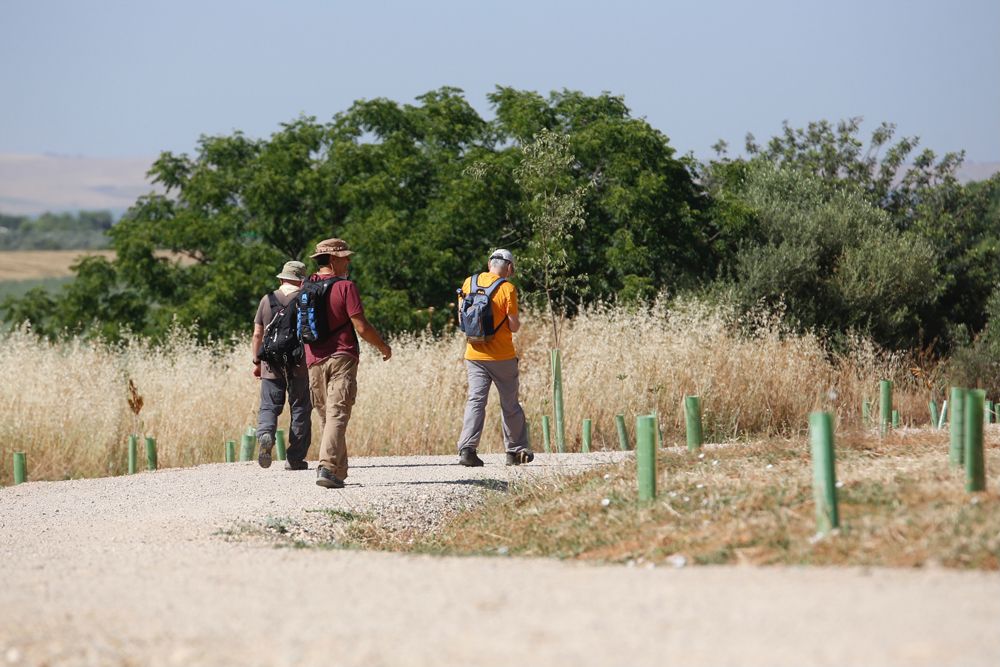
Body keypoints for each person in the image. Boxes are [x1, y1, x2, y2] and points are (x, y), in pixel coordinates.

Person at [304, 238, 392, 489]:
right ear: (333, 260)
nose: (349, 261)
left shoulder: (306, 286)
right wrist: (383, 347)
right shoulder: (345, 287)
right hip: (342, 356)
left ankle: (336, 471)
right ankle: (328, 467)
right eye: (344, 257)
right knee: (337, 414)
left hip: (313, 358)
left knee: (327, 417)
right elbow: (361, 327)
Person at [455, 249, 533, 467]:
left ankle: (467, 450)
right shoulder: (507, 288)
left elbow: (462, 317)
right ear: (508, 267)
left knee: (476, 401)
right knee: (510, 403)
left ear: (490, 263)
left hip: (474, 353)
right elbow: (514, 326)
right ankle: (515, 451)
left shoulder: (469, 282)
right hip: (502, 356)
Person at [252, 260, 311, 470]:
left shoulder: (266, 300)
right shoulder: (305, 299)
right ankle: (295, 459)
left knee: (269, 405)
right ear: (301, 280)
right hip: (299, 363)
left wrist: (257, 361)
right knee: (300, 408)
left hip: (271, 363)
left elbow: (258, 333)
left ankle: (266, 434)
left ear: (281, 278)